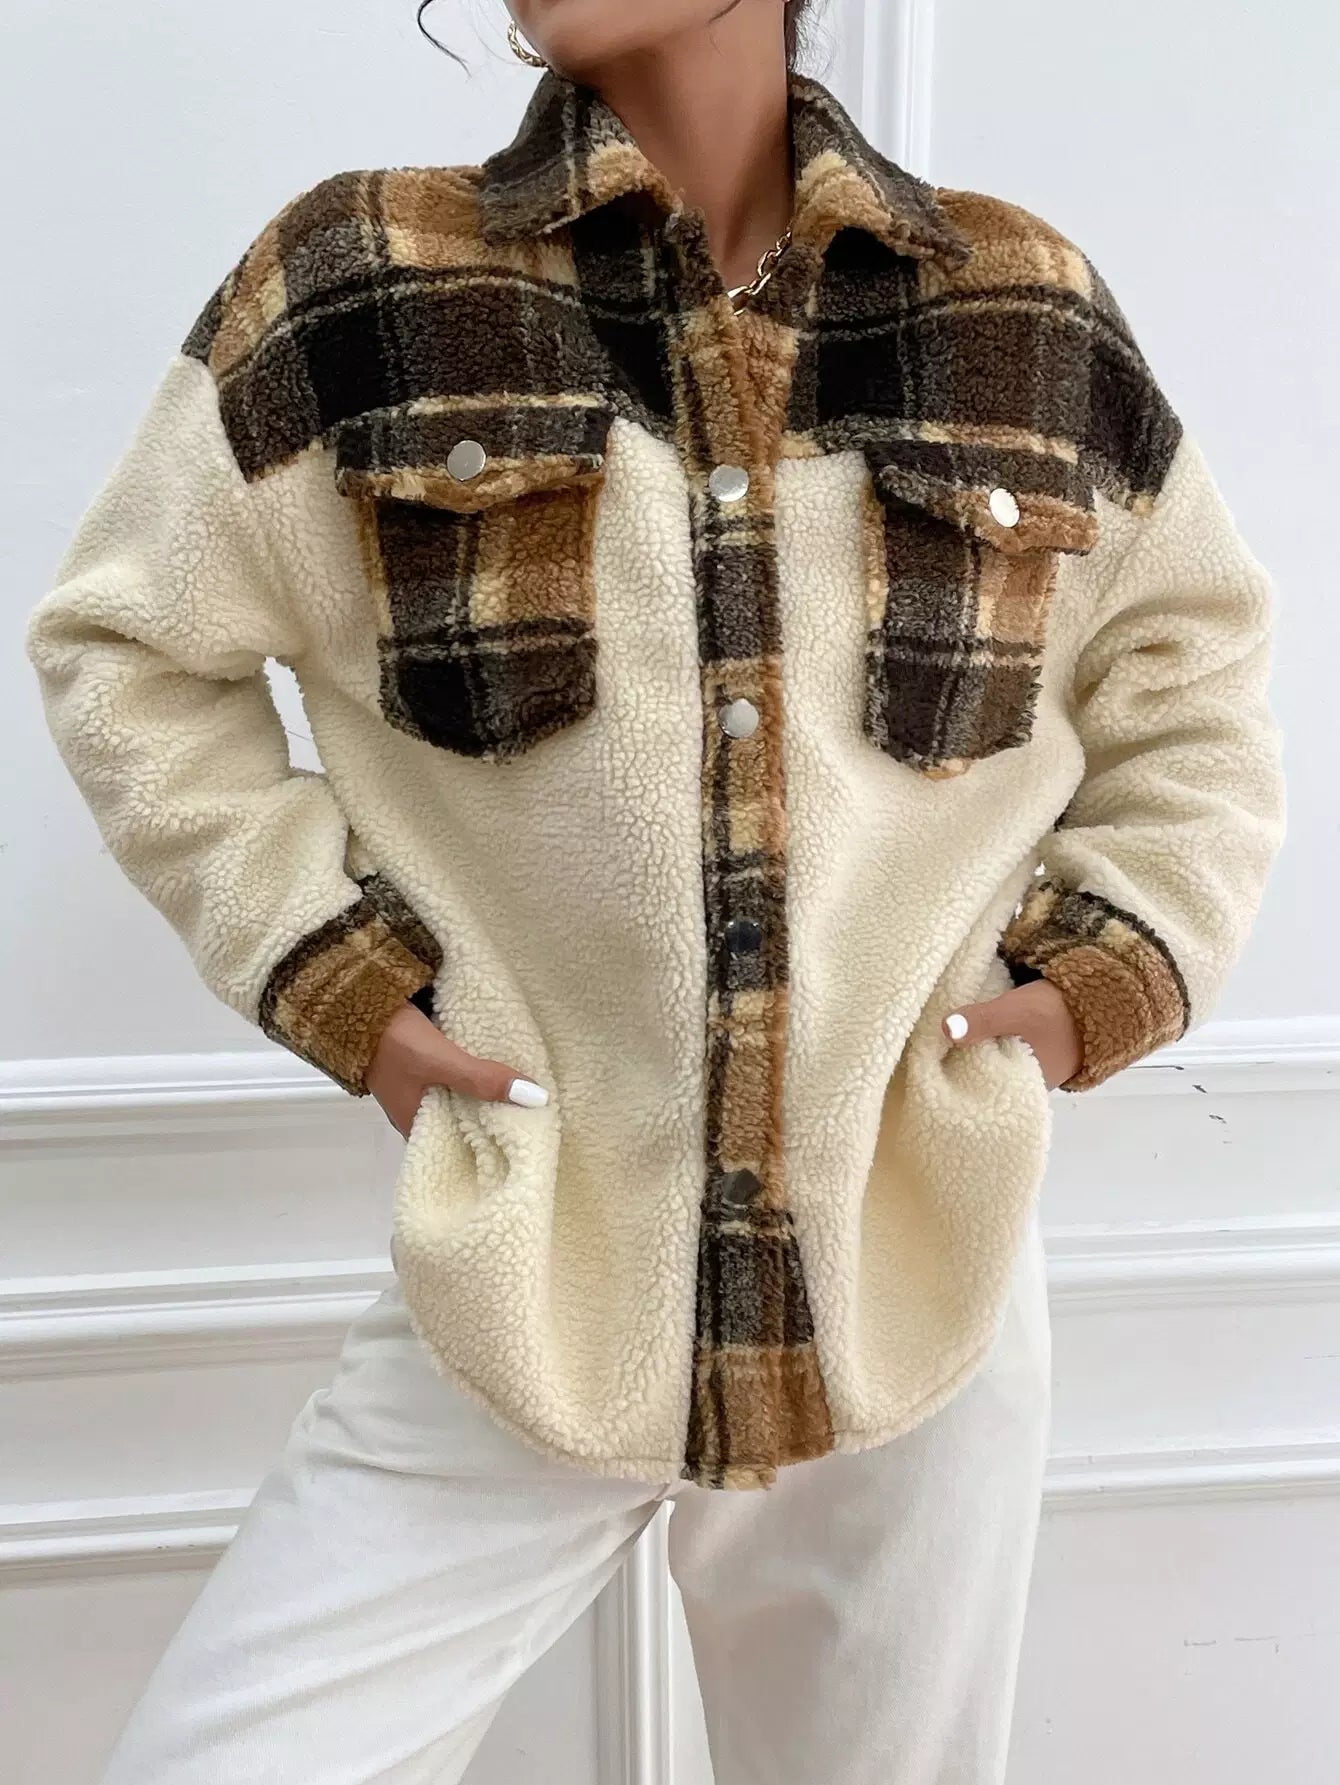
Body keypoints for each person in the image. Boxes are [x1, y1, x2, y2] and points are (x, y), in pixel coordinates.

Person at [23, 1, 1287, 1780]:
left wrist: (1089, 990)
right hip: (531, 1262)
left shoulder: (1021, 309)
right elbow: (128, 650)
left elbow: (1197, 690)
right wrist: (348, 988)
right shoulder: (361, 279)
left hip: (912, 1278)